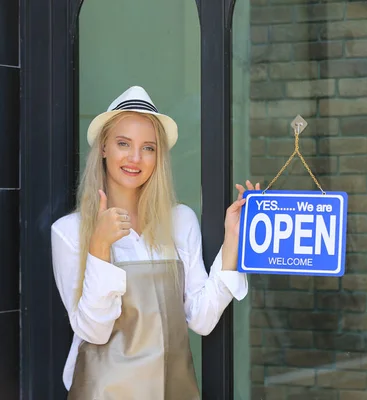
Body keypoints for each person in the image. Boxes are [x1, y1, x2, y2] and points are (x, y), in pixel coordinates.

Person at [50, 86, 257, 399]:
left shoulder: (180, 220)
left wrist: (233, 240)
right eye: (123, 143)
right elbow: (94, 330)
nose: (135, 158)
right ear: (104, 147)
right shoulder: (69, 231)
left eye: (148, 148)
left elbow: (200, 318)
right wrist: (99, 248)